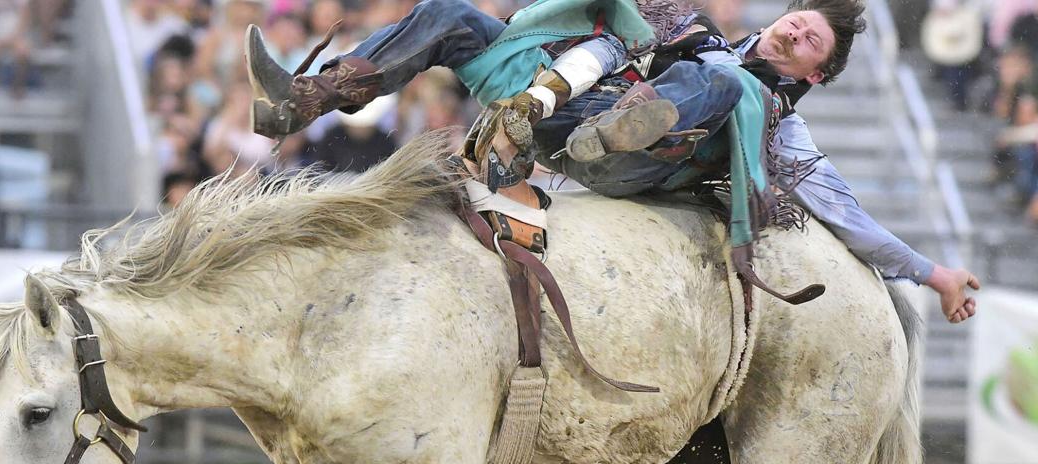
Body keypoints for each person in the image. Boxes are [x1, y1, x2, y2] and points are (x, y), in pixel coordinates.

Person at [247, 0, 980, 323]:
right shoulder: (691, 32)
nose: (796, 32)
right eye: (800, 20)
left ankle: (618, 133)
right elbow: (614, 32)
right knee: (448, 14)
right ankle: (304, 97)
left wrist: (933, 272)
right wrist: (538, 77)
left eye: (811, 41)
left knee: (722, 84)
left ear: (816, 74)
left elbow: (844, 213)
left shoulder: (781, 131)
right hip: (571, 108)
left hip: (644, 163)